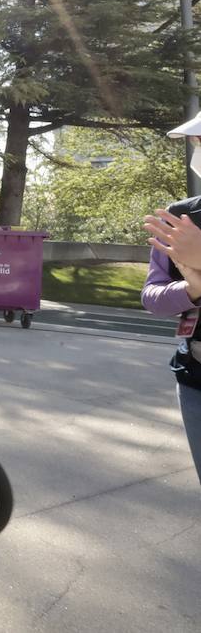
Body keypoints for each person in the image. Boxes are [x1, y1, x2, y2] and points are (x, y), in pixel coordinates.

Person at [141, 111, 201, 485]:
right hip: (195, 379)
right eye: (198, 141)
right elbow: (152, 296)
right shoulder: (181, 218)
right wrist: (193, 287)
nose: (198, 147)